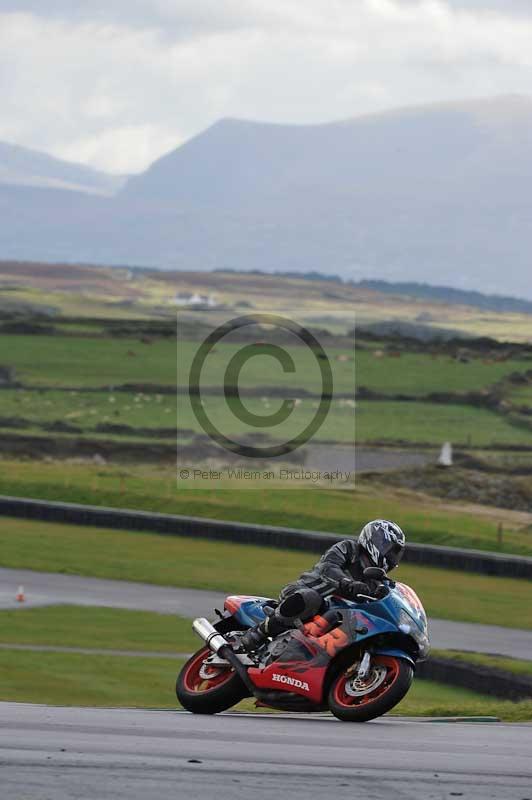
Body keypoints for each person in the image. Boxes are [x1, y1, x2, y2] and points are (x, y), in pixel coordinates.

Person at [240, 519, 406, 652]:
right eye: (390, 550)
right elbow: (328, 567)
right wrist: (348, 584)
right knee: (311, 598)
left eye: (396, 554)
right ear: (375, 541)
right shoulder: (349, 549)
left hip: (333, 615)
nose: (392, 558)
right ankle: (257, 633)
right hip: (303, 592)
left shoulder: (376, 580)